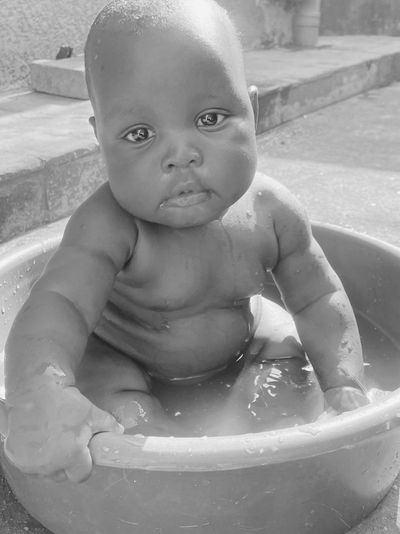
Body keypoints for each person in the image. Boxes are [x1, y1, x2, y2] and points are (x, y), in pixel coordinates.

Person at [3, 0, 368, 484]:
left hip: (241, 344)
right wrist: (39, 390)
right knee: (116, 404)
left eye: (211, 119)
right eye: (139, 133)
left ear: (252, 112)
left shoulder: (271, 213)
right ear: (100, 139)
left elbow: (318, 298)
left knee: (283, 353)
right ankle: (166, 463)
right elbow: (60, 305)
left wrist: (344, 383)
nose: (181, 155)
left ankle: (253, 442)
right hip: (124, 355)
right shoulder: (109, 226)